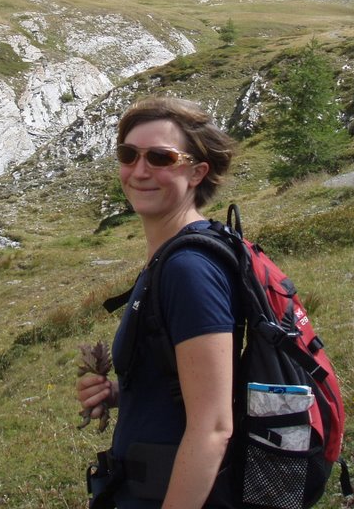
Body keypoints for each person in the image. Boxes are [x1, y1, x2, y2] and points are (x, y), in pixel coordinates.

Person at [77, 97, 240, 508]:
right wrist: (121, 393)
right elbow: (186, 386)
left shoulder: (189, 269)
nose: (140, 170)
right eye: (128, 155)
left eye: (161, 158)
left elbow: (213, 427)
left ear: (197, 172)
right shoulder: (168, 258)